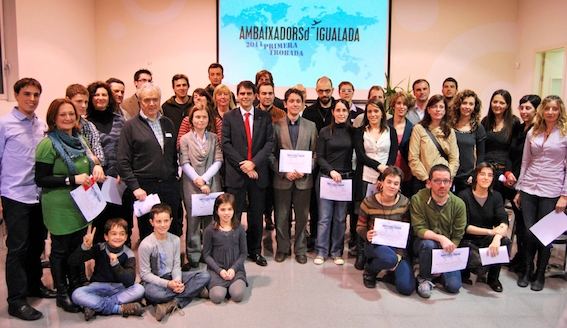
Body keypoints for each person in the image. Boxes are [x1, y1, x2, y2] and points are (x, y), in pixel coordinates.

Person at [35, 98, 106, 313]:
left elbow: (91, 161)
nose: (67, 118)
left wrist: (97, 168)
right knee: (60, 251)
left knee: (77, 247)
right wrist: (71, 180)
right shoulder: (48, 144)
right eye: (62, 114)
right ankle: (63, 292)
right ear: (53, 118)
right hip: (59, 206)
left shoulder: (80, 139)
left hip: (80, 204)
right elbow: (41, 179)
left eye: (71, 114)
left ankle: (76, 286)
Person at [1, 78, 56, 321]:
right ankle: (16, 300)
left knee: (36, 246)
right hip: (15, 195)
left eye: (36, 95)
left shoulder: (40, 124)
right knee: (17, 249)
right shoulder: (4, 124)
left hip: (38, 195)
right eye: (27, 94)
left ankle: (35, 286)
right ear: (16, 94)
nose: (32, 99)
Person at [514, 95, 567, 291]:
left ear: (560, 111)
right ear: (542, 111)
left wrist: (565, 195)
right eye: (547, 108)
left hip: (552, 189)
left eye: (554, 109)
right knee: (528, 233)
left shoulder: (564, 134)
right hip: (529, 187)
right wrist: (520, 188)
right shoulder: (533, 132)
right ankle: (527, 270)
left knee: (545, 234)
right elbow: (526, 161)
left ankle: (540, 273)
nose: (550, 112)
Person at [117, 82, 181, 240]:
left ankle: (171, 263)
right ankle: (151, 264)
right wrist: (135, 187)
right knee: (148, 230)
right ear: (140, 101)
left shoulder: (168, 123)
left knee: (172, 227)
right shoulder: (130, 126)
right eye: (147, 100)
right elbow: (122, 160)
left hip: (169, 185)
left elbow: (172, 154)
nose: (151, 103)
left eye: (155, 99)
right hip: (145, 188)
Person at [222, 80, 274, 266]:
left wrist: (253, 163)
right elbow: (226, 144)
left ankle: (255, 251)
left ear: (255, 96)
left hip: (258, 174)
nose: (245, 97)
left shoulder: (264, 117)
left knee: (256, 214)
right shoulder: (229, 117)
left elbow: (269, 143)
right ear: (237, 96)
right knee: (233, 215)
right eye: (242, 94)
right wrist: (243, 165)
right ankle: (234, 251)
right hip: (236, 175)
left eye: (249, 94)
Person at [269, 88, 317, 264]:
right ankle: (282, 249)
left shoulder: (311, 126)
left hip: (304, 181)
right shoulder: (276, 126)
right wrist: (283, 171)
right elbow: (270, 155)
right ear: (285, 103)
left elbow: (315, 154)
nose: (295, 104)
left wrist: (306, 169)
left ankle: (300, 250)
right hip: (282, 180)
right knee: (281, 217)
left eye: (298, 101)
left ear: (303, 104)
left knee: (302, 217)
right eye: (292, 101)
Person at [139, 204, 211, 321]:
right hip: (154, 282)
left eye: (166, 221)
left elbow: (176, 266)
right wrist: (168, 285)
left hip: (171, 277)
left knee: (204, 275)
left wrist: (177, 280)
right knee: (151, 292)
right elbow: (145, 274)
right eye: (158, 221)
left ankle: (171, 303)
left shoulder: (175, 240)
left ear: (171, 220)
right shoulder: (146, 244)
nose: (163, 225)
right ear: (152, 222)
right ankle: (192, 291)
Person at [353, 98, 398, 269]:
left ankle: (379, 250)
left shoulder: (390, 131)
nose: (372, 114)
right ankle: (360, 252)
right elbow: (361, 155)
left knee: (380, 215)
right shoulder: (360, 132)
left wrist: (384, 176)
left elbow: (393, 155)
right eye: (369, 111)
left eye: (376, 111)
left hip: (384, 180)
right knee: (362, 215)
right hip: (365, 177)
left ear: (382, 113)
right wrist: (379, 167)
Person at [69, 219, 145, 320]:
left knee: (139, 289)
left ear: (126, 237)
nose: (118, 237)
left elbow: (129, 282)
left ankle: (95, 306)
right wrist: (84, 247)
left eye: (121, 234)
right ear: (106, 237)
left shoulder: (129, 254)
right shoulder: (99, 248)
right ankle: (118, 309)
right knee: (76, 294)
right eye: (113, 234)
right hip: (97, 287)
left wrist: (115, 264)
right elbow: (72, 261)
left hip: (119, 288)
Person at [357, 166, 414, 296]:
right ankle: (370, 269)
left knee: (407, 288)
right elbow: (360, 225)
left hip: (396, 247)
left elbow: (407, 232)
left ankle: (391, 271)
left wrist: (399, 255)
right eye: (389, 182)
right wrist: (366, 234)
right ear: (381, 182)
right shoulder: (368, 202)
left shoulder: (405, 203)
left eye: (396, 183)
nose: (392, 186)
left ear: (400, 186)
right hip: (375, 245)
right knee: (389, 259)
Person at [411, 164, 466, 298]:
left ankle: (429, 268)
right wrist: (441, 238)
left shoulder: (459, 204)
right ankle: (424, 278)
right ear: (429, 183)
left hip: (447, 250)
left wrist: (440, 263)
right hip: (424, 244)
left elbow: (458, 235)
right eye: (437, 181)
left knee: (454, 287)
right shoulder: (418, 199)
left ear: (451, 182)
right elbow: (419, 229)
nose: (442, 185)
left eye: (446, 181)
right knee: (428, 244)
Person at [179, 104, 223, 269]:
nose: (201, 120)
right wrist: (197, 180)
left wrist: (205, 179)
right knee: (193, 221)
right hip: (191, 184)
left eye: (204, 117)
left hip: (211, 183)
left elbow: (218, 159)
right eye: (197, 117)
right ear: (191, 120)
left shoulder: (214, 138)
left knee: (211, 220)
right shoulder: (185, 139)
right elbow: (184, 162)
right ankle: (193, 255)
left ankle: (209, 253)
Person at [86, 81, 129, 243]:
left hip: (118, 181)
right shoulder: (85, 123)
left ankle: (122, 263)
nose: (100, 98)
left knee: (122, 224)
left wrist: (123, 171)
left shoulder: (120, 121)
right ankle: (102, 265)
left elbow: (126, 149)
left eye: (104, 94)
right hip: (96, 182)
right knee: (101, 226)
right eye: (96, 94)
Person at [458, 163, 510, 292]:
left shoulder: (496, 197)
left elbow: (503, 220)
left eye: (490, 175)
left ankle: (493, 278)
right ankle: (465, 272)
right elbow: (464, 226)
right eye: (482, 174)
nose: (486, 178)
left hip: (487, 238)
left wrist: (497, 238)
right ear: (476, 176)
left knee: (505, 242)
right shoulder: (464, 195)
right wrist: (491, 231)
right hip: (468, 238)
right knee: (464, 246)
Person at [314, 99, 354, 265]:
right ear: (333, 112)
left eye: (344, 110)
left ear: (348, 112)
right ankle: (321, 251)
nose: (341, 113)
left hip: (345, 181)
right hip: (327, 178)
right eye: (338, 110)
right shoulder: (324, 132)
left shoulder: (354, 132)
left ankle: (336, 251)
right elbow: (320, 157)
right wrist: (331, 171)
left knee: (340, 219)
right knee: (324, 218)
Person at [506, 95, 541, 273]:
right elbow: (512, 155)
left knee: (528, 226)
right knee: (520, 224)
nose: (524, 112)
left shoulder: (538, 131)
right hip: (514, 181)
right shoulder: (519, 128)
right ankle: (519, 257)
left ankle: (528, 263)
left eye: (528, 108)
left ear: (536, 109)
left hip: (529, 183)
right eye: (521, 108)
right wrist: (509, 173)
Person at [303, 76, 336, 248]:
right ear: (316, 91)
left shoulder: (338, 109)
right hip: (315, 164)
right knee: (315, 203)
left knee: (334, 205)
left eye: (327, 90)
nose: (324, 94)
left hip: (335, 165)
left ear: (333, 90)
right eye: (321, 91)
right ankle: (315, 236)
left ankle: (330, 238)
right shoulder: (309, 111)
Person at [408, 94, 459, 195]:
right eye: (434, 107)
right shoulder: (419, 129)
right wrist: (427, 179)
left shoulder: (449, 131)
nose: (438, 110)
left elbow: (454, 159)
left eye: (441, 107)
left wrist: (446, 179)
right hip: (423, 180)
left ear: (445, 111)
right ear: (428, 109)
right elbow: (413, 158)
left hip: (443, 183)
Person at [203, 194, 248, 303]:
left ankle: (230, 287)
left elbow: (243, 253)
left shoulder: (240, 229)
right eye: (223, 209)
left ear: (234, 210)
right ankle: (213, 288)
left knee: (237, 296)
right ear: (217, 211)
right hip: (216, 271)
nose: (226, 213)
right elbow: (206, 255)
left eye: (229, 209)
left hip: (236, 271)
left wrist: (233, 269)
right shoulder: (210, 230)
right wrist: (220, 271)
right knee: (217, 297)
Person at [256, 81, 286, 230]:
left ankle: (270, 217)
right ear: (258, 96)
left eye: (270, 93)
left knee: (273, 194)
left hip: (276, 160)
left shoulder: (281, 114)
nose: (267, 96)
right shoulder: (253, 113)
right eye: (264, 93)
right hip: (257, 161)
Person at [481, 89, 520, 202]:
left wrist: (508, 172)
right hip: (485, 170)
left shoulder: (514, 122)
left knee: (498, 205)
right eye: (495, 102)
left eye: (502, 103)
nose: (497, 105)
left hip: (503, 171)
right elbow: (481, 147)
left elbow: (513, 151)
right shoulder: (485, 121)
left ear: (507, 105)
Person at [450, 90, 486, 194]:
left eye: (471, 104)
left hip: (467, 176)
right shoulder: (449, 125)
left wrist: (475, 175)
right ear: (458, 105)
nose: (467, 107)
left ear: (475, 107)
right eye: (464, 103)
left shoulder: (478, 128)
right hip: (449, 173)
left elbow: (481, 155)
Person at [65, 84, 105, 166]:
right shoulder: (60, 125)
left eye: (86, 102)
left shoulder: (89, 126)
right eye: (79, 101)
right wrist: (89, 157)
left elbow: (100, 158)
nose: (83, 106)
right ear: (68, 100)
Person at [387, 91, 415, 197]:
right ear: (393, 106)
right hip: (388, 168)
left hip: (406, 171)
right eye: (398, 103)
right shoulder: (385, 125)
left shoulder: (412, 128)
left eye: (405, 104)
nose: (401, 106)